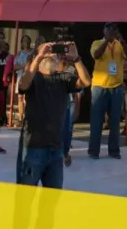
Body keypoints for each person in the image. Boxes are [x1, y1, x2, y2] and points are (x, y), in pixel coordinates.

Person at [19, 41, 91, 188]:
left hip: (56, 148)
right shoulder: (34, 77)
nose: (51, 54)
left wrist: (76, 58)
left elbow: (86, 82)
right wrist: (39, 57)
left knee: (52, 196)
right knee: (25, 194)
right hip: (33, 147)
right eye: (47, 50)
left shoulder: (63, 78)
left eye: (52, 51)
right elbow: (23, 85)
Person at [89, 22, 127, 160]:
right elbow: (96, 55)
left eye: (114, 29)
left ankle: (114, 151)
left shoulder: (119, 44)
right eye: (109, 28)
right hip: (99, 86)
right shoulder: (97, 43)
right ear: (104, 30)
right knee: (97, 120)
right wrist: (107, 40)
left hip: (116, 87)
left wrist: (122, 41)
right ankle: (94, 151)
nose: (112, 31)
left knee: (115, 121)